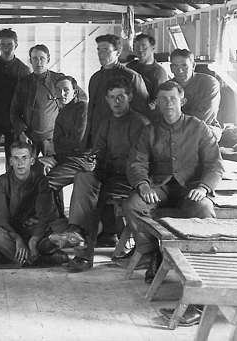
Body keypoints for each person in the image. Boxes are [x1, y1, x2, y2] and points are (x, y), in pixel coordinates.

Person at [124, 80, 224, 285]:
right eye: (163, 99)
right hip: (159, 187)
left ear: (182, 101)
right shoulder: (149, 130)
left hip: (190, 188)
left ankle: (200, 263)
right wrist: (143, 185)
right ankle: (153, 253)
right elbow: (137, 162)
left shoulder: (198, 127)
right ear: (158, 104)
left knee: (204, 209)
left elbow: (215, 164)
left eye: (172, 99)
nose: (168, 103)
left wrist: (204, 188)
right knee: (132, 205)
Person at [49, 76, 150, 272]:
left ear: (129, 97)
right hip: (109, 176)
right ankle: (75, 231)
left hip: (131, 180)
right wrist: (94, 163)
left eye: (121, 97)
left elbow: (139, 162)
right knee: (82, 177)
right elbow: (99, 153)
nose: (116, 102)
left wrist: (109, 165)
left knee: (91, 201)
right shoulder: (106, 124)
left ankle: (82, 255)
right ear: (107, 99)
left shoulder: (140, 124)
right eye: (112, 97)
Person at [0, 142, 69, 267]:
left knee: (66, 226)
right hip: (11, 233)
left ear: (32, 161)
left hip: (36, 231)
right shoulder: (2, 182)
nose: (20, 163)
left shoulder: (41, 181)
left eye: (24, 158)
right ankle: (39, 258)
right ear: (10, 161)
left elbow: (47, 214)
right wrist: (17, 238)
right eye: (16, 158)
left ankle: (17, 256)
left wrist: (35, 239)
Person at [11, 44, 87, 158]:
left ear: (48, 60)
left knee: (52, 169)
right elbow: (14, 111)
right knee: (28, 171)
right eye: (35, 58)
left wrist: (65, 115)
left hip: (52, 138)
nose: (38, 62)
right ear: (30, 61)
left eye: (42, 58)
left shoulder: (59, 79)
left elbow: (82, 97)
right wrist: (21, 133)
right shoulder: (23, 84)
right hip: (29, 138)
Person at [83, 34, 149, 149]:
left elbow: (142, 112)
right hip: (97, 138)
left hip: (122, 139)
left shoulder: (131, 77)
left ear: (117, 52)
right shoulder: (95, 78)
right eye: (99, 50)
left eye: (106, 50)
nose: (101, 54)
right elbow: (91, 112)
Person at [0, 28, 31, 173]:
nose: (6, 48)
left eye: (9, 45)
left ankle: (11, 191)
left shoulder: (23, 70)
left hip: (13, 120)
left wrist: (21, 124)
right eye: (3, 45)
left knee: (12, 160)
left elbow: (27, 100)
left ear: (16, 45)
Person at [45, 76, 90, 215]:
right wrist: (65, 142)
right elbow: (56, 144)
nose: (62, 94)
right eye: (58, 90)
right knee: (37, 171)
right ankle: (57, 217)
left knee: (47, 184)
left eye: (66, 90)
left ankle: (57, 220)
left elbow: (79, 141)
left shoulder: (83, 108)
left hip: (81, 159)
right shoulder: (61, 112)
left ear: (75, 92)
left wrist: (63, 141)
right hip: (65, 157)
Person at [169, 48, 222, 139]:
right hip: (174, 129)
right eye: (175, 66)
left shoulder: (209, 83)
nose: (180, 70)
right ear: (171, 68)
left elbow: (203, 117)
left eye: (184, 65)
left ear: (193, 66)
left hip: (205, 127)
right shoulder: (167, 87)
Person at [126, 33, 168, 114]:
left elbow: (158, 99)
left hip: (145, 113)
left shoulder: (159, 72)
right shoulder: (130, 66)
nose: (140, 49)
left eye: (144, 46)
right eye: (137, 47)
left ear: (153, 48)